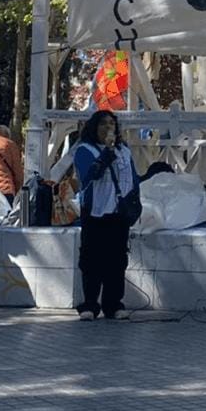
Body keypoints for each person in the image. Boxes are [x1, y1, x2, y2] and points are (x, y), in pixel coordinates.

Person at [74, 109, 137, 321]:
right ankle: (90, 304)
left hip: (118, 213)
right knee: (92, 260)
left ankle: (113, 304)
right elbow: (90, 175)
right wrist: (106, 152)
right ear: (94, 127)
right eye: (103, 124)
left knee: (117, 261)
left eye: (112, 123)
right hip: (95, 212)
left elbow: (132, 177)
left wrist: (135, 204)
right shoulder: (85, 150)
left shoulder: (124, 151)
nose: (108, 127)